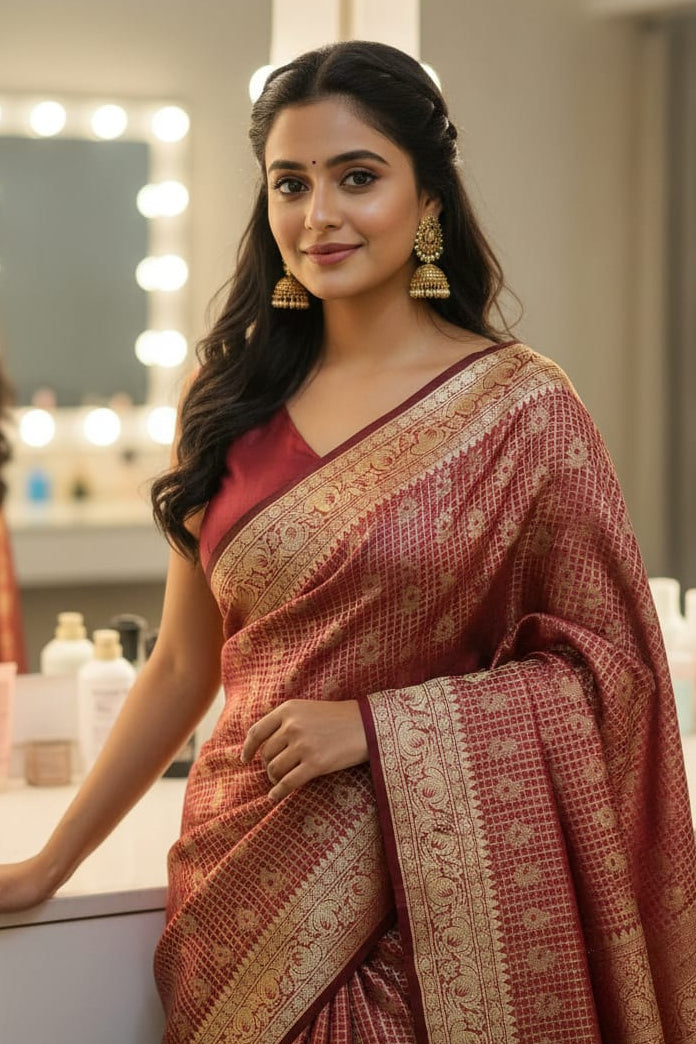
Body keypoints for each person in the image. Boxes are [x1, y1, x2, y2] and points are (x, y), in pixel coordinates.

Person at [0, 39, 695, 1042]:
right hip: (241, 884)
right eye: (291, 184)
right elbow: (182, 669)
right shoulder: (228, 399)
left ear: (428, 203)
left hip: (428, 915)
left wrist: (377, 727)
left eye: (357, 178)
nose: (318, 216)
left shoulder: (521, 409)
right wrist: (48, 864)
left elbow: (612, 672)